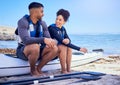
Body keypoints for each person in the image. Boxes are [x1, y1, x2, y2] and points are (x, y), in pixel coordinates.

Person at [16, 2, 58, 76]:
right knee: (35, 46)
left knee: (54, 48)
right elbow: (26, 40)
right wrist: (43, 40)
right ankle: (32, 70)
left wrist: (53, 42)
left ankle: (38, 68)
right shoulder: (23, 22)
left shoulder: (43, 23)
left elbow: (48, 38)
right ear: (35, 12)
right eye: (41, 11)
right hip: (23, 49)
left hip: (38, 49)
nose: (43, 14)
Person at [48, 9, 87, 74]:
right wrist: (79, 48)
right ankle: (63, 70)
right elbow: (61, 41)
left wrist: (68, 40)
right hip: (50, 52)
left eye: (60, 20)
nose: (57, 21)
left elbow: (68, 41)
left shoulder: (63, 29)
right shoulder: (52, 28)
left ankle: (68, 69)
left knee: (69, 47)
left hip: (58, 51)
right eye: (56, 19)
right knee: (63, 46)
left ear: (64, 22)